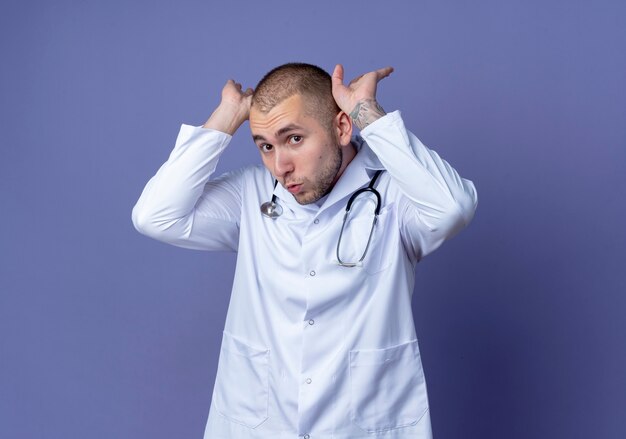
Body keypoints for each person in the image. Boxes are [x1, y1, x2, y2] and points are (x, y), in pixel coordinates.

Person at [132, 62, 478, 439]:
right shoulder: (251, 195)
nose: (280, 166)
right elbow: (155, 216)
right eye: (265, 145)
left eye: (294, 138)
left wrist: (368, 113)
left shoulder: (393, 197)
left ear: (342, 127)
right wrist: (226, 116)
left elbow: (453, 207)